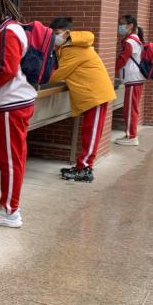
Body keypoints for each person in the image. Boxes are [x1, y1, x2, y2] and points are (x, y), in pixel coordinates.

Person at [48, 16, 116, 183]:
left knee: (91, 133)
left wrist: (37, 75)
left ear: (67, 33)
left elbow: (59, 74)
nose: (54, 37)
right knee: (88, 132)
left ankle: (85, 169)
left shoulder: (73, 49)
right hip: (91, 94)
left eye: (57, 33)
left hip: (96, 95)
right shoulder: (68, 46)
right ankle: (81, 166)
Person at [0, 0, 36, 228]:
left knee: (10, 159)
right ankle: (8, 205)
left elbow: (7, 69)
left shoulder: (8, 31)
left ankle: (10, 211)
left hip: (12, 102)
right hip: (17, 101)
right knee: (14, 158)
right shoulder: (11, 28)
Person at [114, 13, 145, 146]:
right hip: (134, 80)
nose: (120, 27)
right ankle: (130, 135)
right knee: (131, 108)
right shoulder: (134, 39)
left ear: (130, 25)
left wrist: (109, 68)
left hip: (133, 80)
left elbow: (122, 60)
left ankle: (132, 137)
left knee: (130, 109)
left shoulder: (130, 41)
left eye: (122, 24)